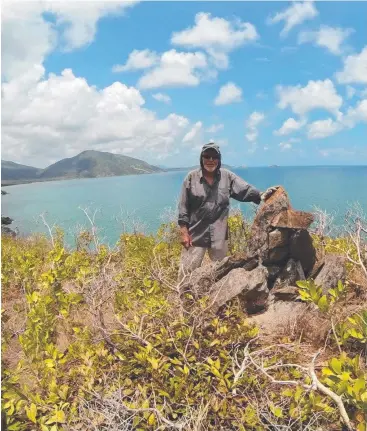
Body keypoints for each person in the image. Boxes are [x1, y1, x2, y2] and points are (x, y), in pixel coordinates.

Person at [177, 141, 279, 281]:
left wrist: (261, 195)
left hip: (219, 235)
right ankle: (185, 300)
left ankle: (216, 299)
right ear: (201, 158)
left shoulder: (227, 177)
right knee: (187, 274)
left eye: (214, 157)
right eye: (207, 156)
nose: (210, 160)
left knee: (219, 274)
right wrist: (184, 232)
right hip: (196, 235)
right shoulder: (191, 178)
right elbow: (183, 206)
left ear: (219, 160)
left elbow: (244, 189)